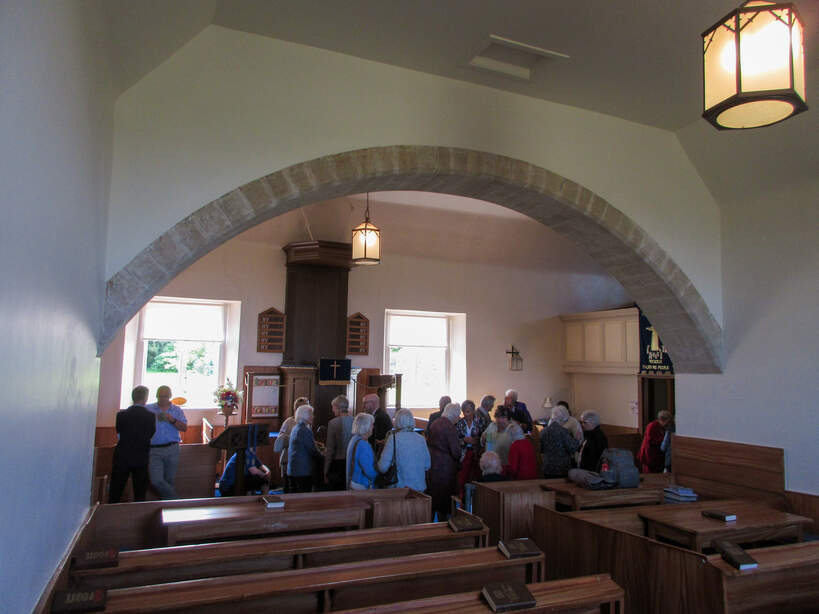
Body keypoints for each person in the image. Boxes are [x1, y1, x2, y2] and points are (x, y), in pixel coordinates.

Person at [109, 386, 156, 503]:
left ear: (133, 397)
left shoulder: (121, 415)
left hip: (122, 455)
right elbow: (150, 433)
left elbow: (119, 432)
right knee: (140, 491)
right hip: (141, 456)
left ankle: (110, 515)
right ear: (146, 398)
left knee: (116, 489)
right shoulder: (150, 416)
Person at [147, 385, 188, 499]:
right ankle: (176, 501)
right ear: (156, 396)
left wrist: (172, 419)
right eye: (160, 396)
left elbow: (184, 428)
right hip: (154, 449)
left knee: (169, 480)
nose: (162, 398)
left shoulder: (177, 410)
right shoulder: (148, 409)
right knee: (156, 480)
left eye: (165, 396)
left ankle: (166, 507)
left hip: (172, 448)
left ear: (170, 396)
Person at [377, 409, 430, 492]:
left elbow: (382, 467)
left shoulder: (393, 438)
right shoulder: (421, 439)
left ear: (397, 421)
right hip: (419, 487)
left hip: (399, 489)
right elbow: (427, 465)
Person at [427, 402, 461, 521]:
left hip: (433, 463)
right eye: (458, 415)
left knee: (433, 497)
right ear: (454, 415)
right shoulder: (449, 426)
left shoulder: (435, 422)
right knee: (444, 500)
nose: (459, 418)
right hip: (445, 467)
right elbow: (456, 452)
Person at [287, 404, 322, 492]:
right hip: (302, 471)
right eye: (311, 414)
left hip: (294, 469)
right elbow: (312, 450)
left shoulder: (296, 428)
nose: (313, 416)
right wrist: (322, 454)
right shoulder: (304, 430)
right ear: (305, 416)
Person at [455, 400, 487, 495]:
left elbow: (484, 436)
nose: (466, 414)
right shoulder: (460, 423)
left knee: (477, 477)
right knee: (463, 477)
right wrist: (464, 440)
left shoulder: (480, 421)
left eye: (468, 411)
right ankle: (462, 496)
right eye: (464, 411)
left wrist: (477, 441)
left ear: (473, 411)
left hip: (477, 453)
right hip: (464, 454)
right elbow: (456, 439)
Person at [540, 405, 581, 478]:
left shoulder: (543, 431)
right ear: (562, 419)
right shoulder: (563, 432)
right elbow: (571, 448)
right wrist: (577, 440)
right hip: (561, 467)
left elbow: (542, 450)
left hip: (547, 466)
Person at [324, 395, 353, 490]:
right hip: (352, 463)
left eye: (333, 407)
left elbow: (330, 449)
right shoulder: (355, 421)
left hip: (338, 464)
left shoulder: (333, 423)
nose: (332, 410)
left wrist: (326, 471)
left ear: (337, 407)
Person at [346, 413, 378, 490]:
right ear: (365, 427)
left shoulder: (354, 439)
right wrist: (380, 473)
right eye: (371, 425)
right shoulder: (363, 445)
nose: (373, 427)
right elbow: (370, 472)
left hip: (353, 482)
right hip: (362, 485)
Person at [273, 417, 296, 493]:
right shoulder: (289, 422)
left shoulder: (303, 423)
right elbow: (279, 442)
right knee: (288, 486)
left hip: (293, 461)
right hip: (288, 459)